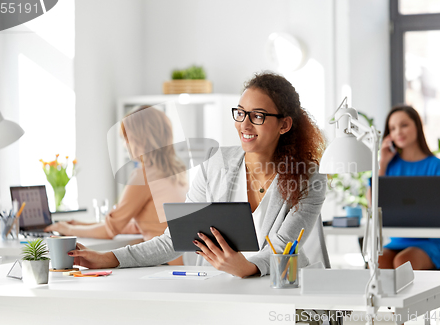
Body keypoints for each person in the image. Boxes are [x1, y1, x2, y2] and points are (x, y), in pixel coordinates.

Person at [67, 72, 328, 278]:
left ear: (284, 124)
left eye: (257, 115)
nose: (244, 124)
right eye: (240, 112)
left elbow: (282, 249)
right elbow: (174, 239)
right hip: (220, 289)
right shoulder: (215, 164)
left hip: (284, 288)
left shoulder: (309, 178)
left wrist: (246, 267)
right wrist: (109, 258)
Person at [46, 106, 188, 265]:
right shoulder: (176, 172)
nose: (124, 144)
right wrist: (81, 224)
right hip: (179, 260)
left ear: (139, 139)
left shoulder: (145, 175)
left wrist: (67, 230)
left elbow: (110, 230)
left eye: (126, 138)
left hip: (163, 262)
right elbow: (134, 226)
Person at [376, 105, 440, 270]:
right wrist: (382, 163)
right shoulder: (389, 167)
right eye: (392, 128)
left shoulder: (436, 166)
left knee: (403, 262)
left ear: (417, 127)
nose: (398, 132)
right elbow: (374, 204)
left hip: (433, 241)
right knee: (379, 262)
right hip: (398, 240)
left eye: (404, 125)